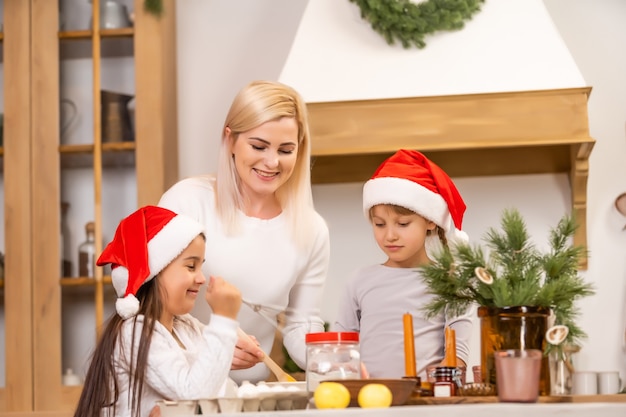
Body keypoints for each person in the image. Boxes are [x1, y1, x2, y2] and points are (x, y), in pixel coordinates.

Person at [158, 80, 330, 383]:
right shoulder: (186, 202)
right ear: (231, 140)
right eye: (259, 146)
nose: (272, 162)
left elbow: (301, 324)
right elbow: (151, 308)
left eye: (286, 149)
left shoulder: (311, 229)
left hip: (249, 396)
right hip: (179, 389)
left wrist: (336, 360)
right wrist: (210, 347)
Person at [73, 206, 242, 417]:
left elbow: (216, 387)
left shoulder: (185, 327)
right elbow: (195, 396)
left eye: (200, 267)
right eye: (191, 266)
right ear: (154, 271)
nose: (201, 278)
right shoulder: (134, 333)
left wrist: (233, 340)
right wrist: (224, 320)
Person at [334, 149, 473, 379]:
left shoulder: (451, 283)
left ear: (430, 220)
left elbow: (457, 355)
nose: (390, 235)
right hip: (370, 403)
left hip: (425, 404)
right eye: (380, 224)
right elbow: (341, 350)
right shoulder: (359, 282)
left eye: (402, 223)